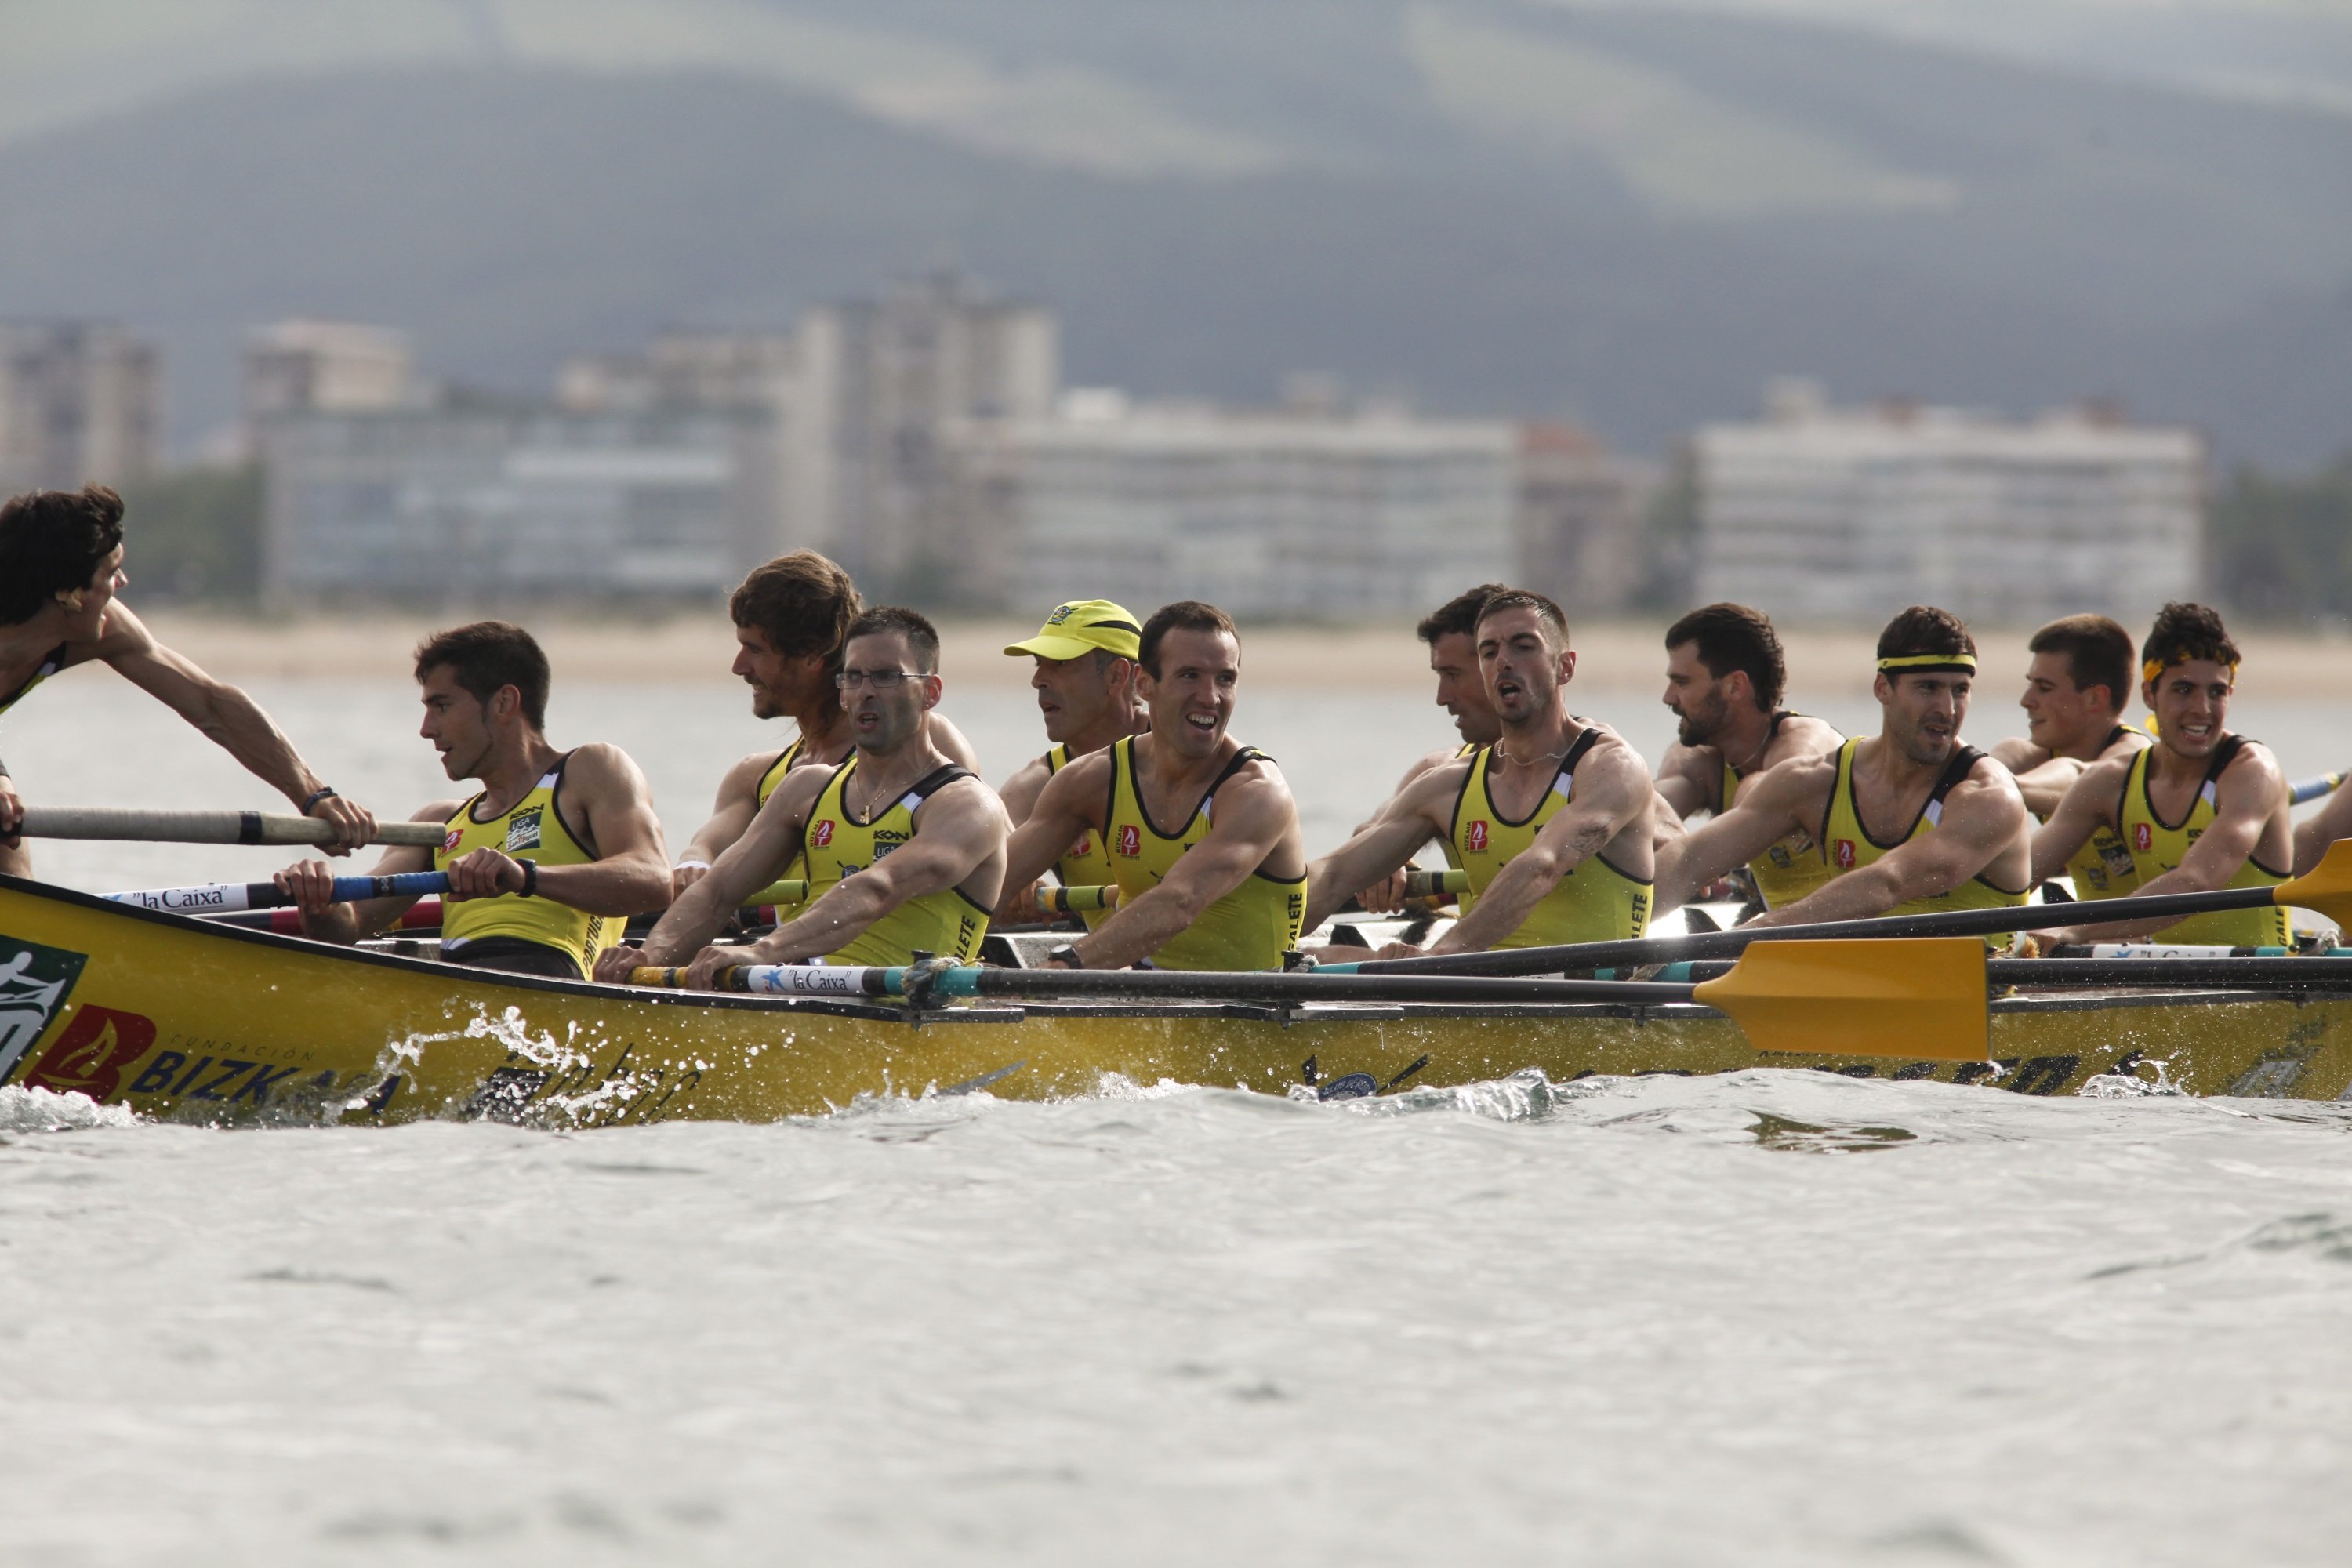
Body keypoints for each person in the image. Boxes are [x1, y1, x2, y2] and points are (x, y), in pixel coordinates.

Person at [601, 607, 1006, 988]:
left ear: (930, 692)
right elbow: (716, 893)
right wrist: (649, 956)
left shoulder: (967, 806)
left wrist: (764, 950)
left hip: (908, 1012)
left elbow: (880, 886)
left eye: (885, 677)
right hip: (807, 995)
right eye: (852, 677)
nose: (865, 692)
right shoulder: (806, 790)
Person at [0, 483, 374, 873]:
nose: (122, 583)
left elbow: (213, 705)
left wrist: (314, 796)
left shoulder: (107, 628)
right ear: (67, 593)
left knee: (9, 846)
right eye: (111, 573)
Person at [273, 622, 670, 980]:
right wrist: (320, 901)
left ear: (503, 703)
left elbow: (652, 881)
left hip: (552, 981)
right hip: (460, 986)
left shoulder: (590, 770)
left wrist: (524, 877)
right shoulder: (440, 821)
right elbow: (348, 928)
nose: (427, 730)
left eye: (442, 706)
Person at [1305, 590, 1656, 959]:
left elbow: (1541, 866)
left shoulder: (1611, 768)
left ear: (1565, 666)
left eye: (1523, 647)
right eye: (1489, 653)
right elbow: (1334, 875)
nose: (1504, 661)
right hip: (1472, 986)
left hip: (1596, 1000)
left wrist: (1439, 959)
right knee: (1319, 957)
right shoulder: (1448, 786)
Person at [1654, 605, 2031, 938]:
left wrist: (1755, 932)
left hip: (1979, 990)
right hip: (1862, 983)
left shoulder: (1988, 797)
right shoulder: (1816, 781)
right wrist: (1612, 923)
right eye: (1928, 688)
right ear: (1883, 688)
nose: (1947, 710)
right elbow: (1689, 860)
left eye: (1960, 690)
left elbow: (1888, 883)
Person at [996, 601, 1307, 971]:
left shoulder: (1257, 793)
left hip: (1257, 1009)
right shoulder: (1090, 780)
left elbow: (1180, 901)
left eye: (1225, 679)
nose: (1210, 697)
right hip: (1144, 998)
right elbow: (986, 888)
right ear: (1144, 683)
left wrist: (1068, 966)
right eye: (1190, 676)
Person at [668, 553, 978, 897]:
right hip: (784, 948)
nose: (739, 667)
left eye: (754, 650)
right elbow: (707, 848)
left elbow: (979, 849)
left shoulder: (928, 742)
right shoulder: (754, 777)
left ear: (812, 655)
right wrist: (693, 864)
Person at [2023, 603, 2293, 949]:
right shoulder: (2111, 781)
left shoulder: (2253, 773)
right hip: (2163, 983)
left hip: (2267, 986)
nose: (2202, 709)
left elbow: (2194, 882)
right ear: (2150, 694)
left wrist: (2074, 930)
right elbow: (2016, 879)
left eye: (2217, 692)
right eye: (2184, 690)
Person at [1652, 603, 1843, 912]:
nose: (1668, 697)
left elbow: (1761, 797)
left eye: (1682, 682)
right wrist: (1662, 832)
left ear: (1735, 686)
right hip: (1777, 938)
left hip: (1861, 929)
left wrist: (1701, 855)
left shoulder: (1808, 742)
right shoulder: (1699, 760)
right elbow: (1646, 804)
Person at [993, 600, 1149, 931]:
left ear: (1116, 676)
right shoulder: (1035, 784)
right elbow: (972, 888)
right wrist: (1011, 887)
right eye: (1038, 664)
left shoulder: (1187, 759)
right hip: (1102, 971)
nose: (1038, 680)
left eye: (1060, 664)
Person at [1986, 614, 2151, 901]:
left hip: (2151, 935)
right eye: (2030, 684)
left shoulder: (2132, 756)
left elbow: (2080, 778)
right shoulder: (2030, 754)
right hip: (2088, 933)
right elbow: (1991, 765)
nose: (2026, 700)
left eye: (2044, 688)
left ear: (2095, 699)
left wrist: (1994, 791)